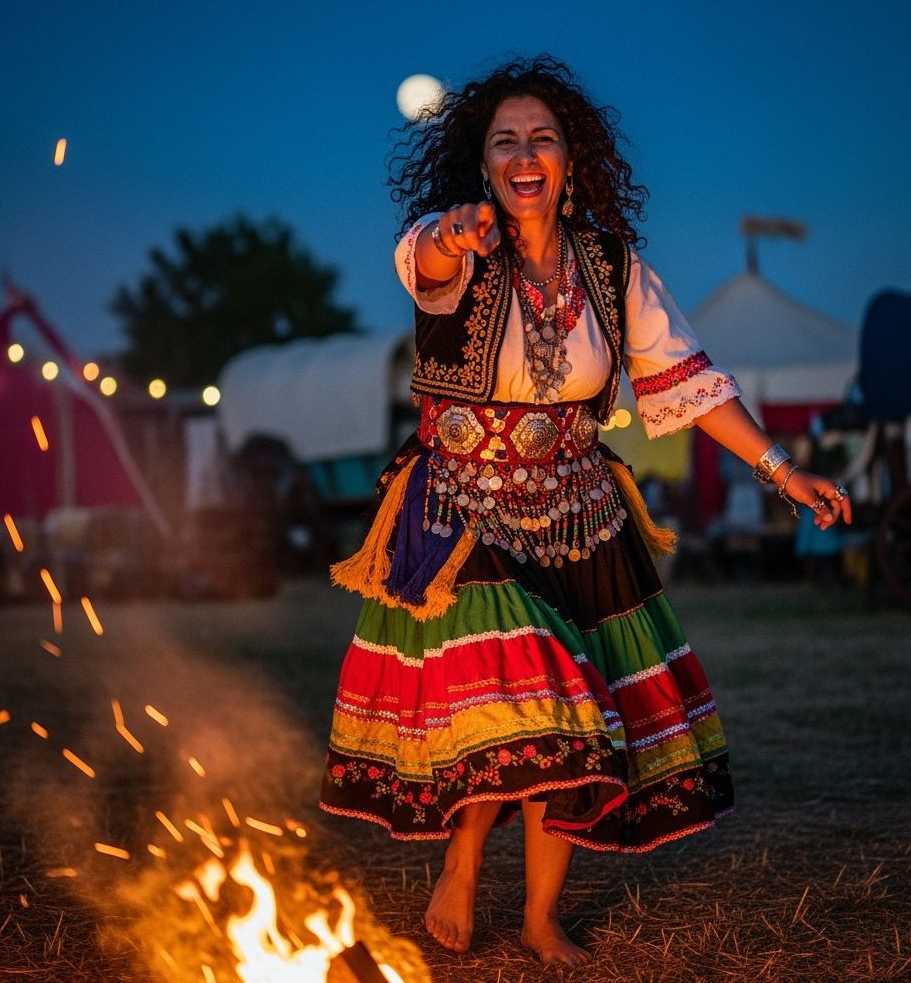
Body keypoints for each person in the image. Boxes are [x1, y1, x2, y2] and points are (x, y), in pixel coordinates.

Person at [319, 56, 851, 967]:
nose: (526, 156)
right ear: (482, 165)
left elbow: (685, 379)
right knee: (532, 687)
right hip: (464, 515)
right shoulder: (448, 247)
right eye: (505, 143)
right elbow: (427, 261)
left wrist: (781, 469)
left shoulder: (613, 267)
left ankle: (536, 917)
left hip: (580, 516)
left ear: (570, 160)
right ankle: (464, 859)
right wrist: (454, 230)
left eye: (544, 139)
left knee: (582, 718)